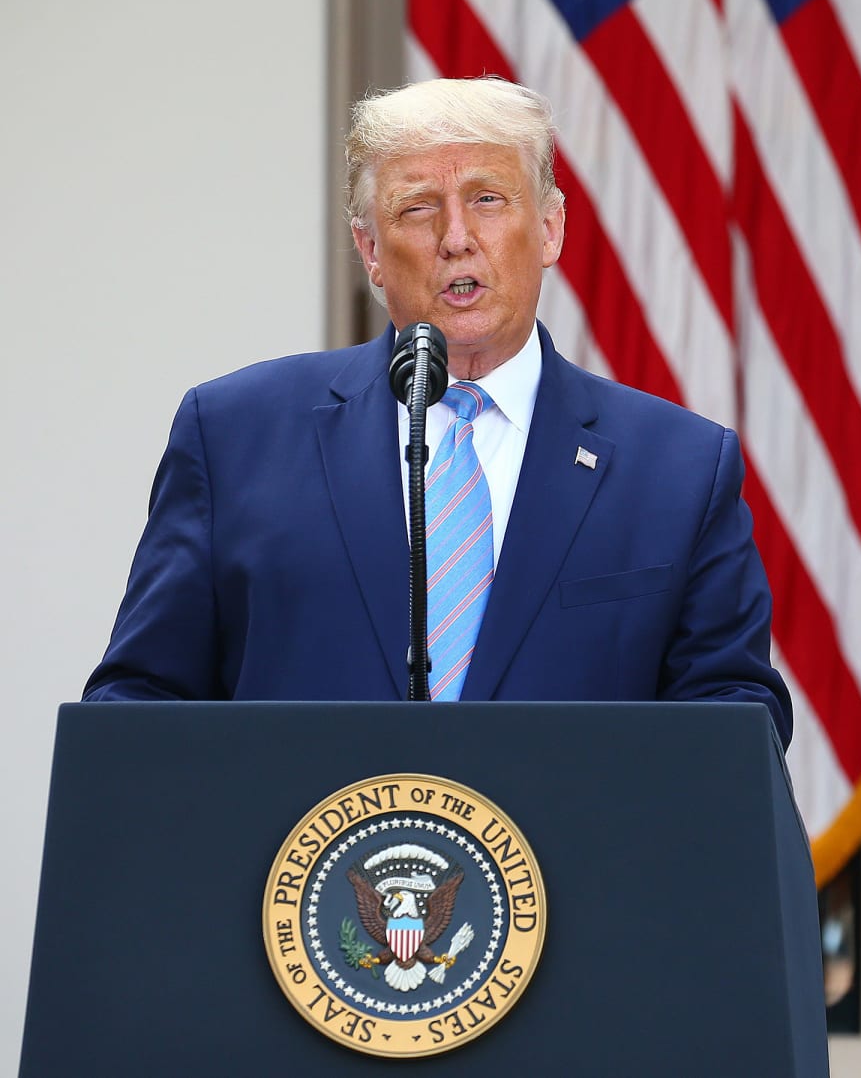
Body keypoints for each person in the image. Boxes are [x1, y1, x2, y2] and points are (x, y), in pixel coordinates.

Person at [83, 77, 792, 748]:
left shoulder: (678, 468)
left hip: (572, 875)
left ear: (549, 230)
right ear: (370, 251)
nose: (456, 237)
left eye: (488, 199)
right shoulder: (235, 437)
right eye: (418, 208)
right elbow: (139, 706)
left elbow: (732, 728)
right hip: (300, 873)